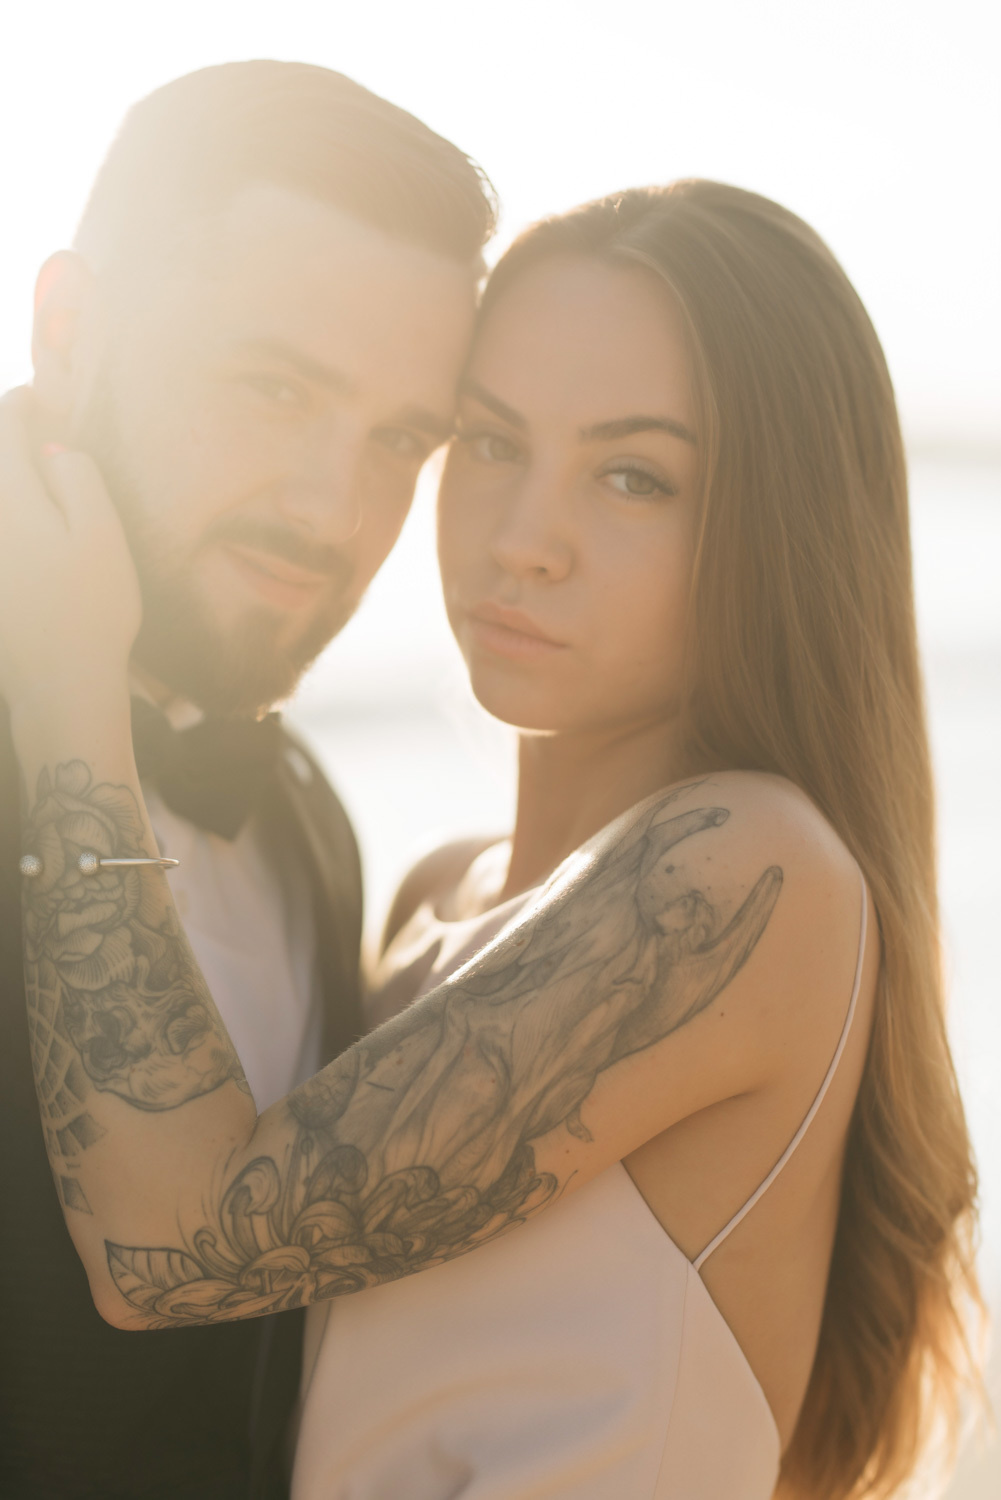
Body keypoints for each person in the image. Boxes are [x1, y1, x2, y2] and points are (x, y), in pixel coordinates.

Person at [0, 181, 981, 1500]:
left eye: (633, 476)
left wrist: (64, 688)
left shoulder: (752, 873)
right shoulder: (422, 902)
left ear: (775, 526)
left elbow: (170, 1241)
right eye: (488, 442)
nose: (524, 542)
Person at [0, 60, 493, 1498]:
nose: (333, 512)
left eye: (402, 441)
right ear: (71, 329)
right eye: (275, 387)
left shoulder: (302, 823)